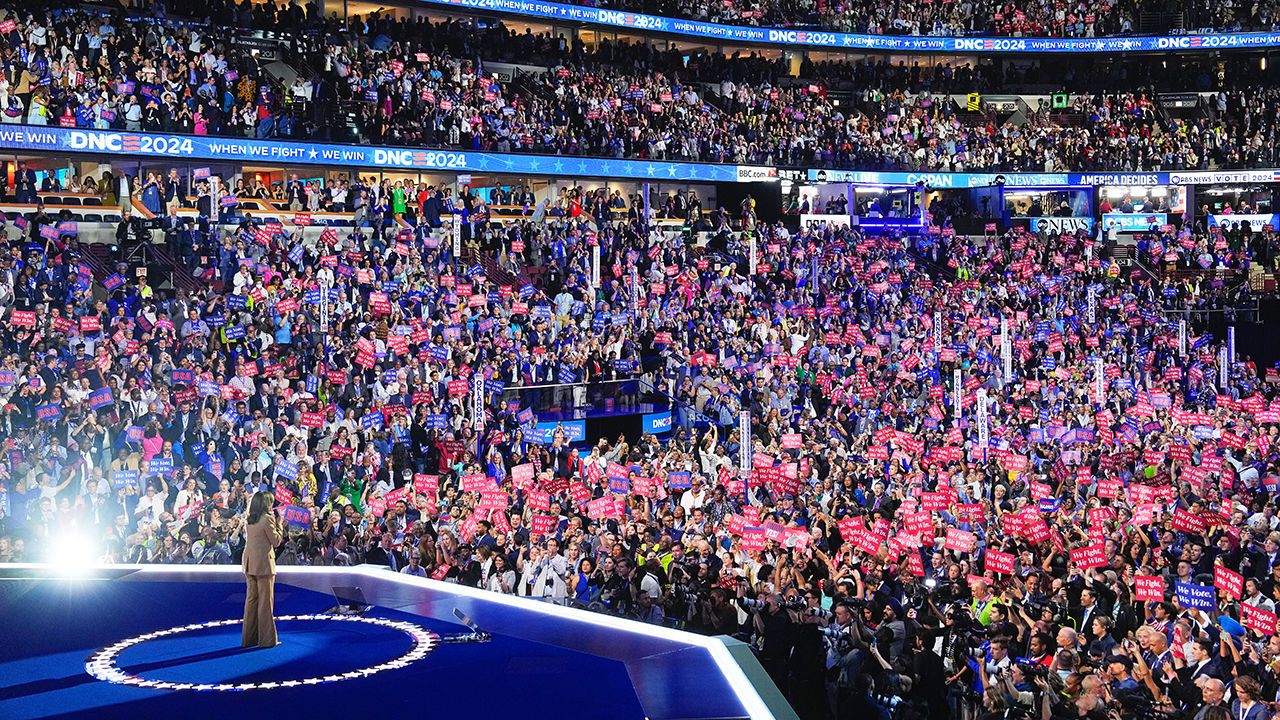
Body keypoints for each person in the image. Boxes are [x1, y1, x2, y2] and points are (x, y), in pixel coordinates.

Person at [241, 490, 282, 649]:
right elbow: (276, 541)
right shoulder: (267, 519)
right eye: (270, 502)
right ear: (266, 504)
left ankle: (249, 639)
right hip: (264, 564)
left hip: (250, 563)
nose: (272, 505)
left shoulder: (249, 519)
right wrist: (279, 524)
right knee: (265, 602)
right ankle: (266, 640)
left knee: (251, 601)